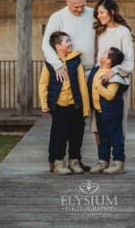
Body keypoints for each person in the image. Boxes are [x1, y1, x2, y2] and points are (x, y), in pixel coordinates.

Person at [41, 0, 95, 172]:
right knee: (60, 129)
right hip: (65, 71)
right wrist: (57, 64)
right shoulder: (57, 17)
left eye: (82, 6)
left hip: (87, 71)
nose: (80, 10)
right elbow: (46, 44)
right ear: (67, 2)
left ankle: (75, 159)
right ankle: (57, 160)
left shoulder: (93, 14)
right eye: (75, 7)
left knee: (78, 126)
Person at [39, 31, 90, 175]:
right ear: (58, 46)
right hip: (59, 106)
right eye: (66, 41)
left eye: (70, 40)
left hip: (75, 105)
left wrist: (85, 107)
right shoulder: (50, 63)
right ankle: (58, 162)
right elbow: (43, 84)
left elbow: (81, 84)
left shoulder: (76, 61)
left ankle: (74, 161)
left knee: (76, 134)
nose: (70, 43)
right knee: (59, 135)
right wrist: (44, 102)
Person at [92, 0, 134, 140]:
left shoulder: (123, 32)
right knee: (97, 123)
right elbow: (97, 58)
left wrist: (113, 72)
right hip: (100, 80)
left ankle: (118, 159)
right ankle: (103, 160)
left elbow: (129, 62)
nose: (99, 16)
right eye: (98, 13)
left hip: (118, 81)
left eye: (102, 12)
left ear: (112, 12)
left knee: (118, 121)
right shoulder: (99, 32)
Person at [88, 47, 129, 174]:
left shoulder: (114, 76)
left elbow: (110, 95)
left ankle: (118, 163)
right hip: (99, 112)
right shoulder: (96, 70)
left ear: (109, 61)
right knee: (103, 138)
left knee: (115, 137)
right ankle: (103, 161)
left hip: (112, 113)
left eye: (105, 53)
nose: (102, 53)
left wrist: (98, 86)